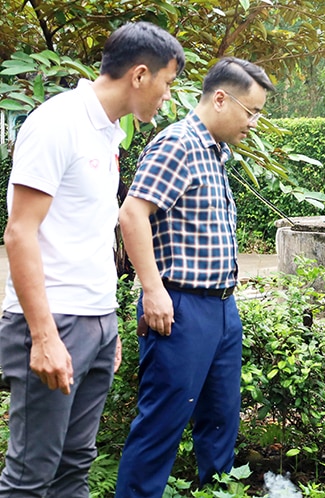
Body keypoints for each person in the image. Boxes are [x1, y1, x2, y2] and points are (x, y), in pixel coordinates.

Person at [0, 22, 183, 497]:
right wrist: (42, 337)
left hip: (93, 322)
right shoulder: (57, 123)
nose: (166, 95)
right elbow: (20, 233)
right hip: (52, 320)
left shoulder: (106, 133)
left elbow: (90, 233)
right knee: (31, 475)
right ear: (140, 76)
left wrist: (108, 324)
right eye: (167, 82)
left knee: (73, 466)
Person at [114, 57, 274, 498]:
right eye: (251, 111)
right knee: (162, 424)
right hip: (181, 308)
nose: (254, 122)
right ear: (221, 98)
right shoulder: (178, 144)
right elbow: (132, 213)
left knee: (220, 419)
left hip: (222, 307)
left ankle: (218, 492)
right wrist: (153, 290)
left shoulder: (214, 153)